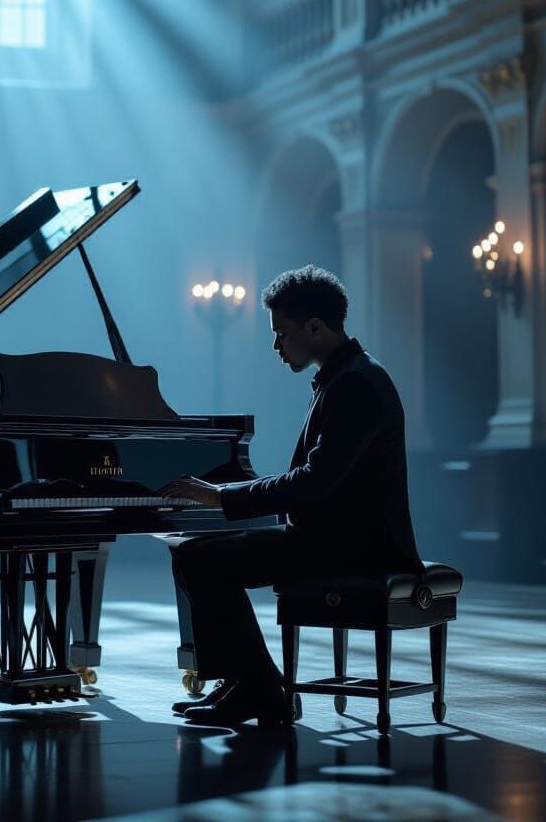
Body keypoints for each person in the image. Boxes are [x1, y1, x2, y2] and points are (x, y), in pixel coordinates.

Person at [160, 265, 421, 727]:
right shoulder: (344, 377)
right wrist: (232, 500)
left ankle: (260, 691)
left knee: (200, 560)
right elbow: (317, 482)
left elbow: (314, 482)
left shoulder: (355, 385)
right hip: (336, 537)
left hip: (357, 549)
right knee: (195, 554)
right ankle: (247, 684)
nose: (275, 346)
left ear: (314, 327)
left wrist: (223, 496)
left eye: (281, 333)